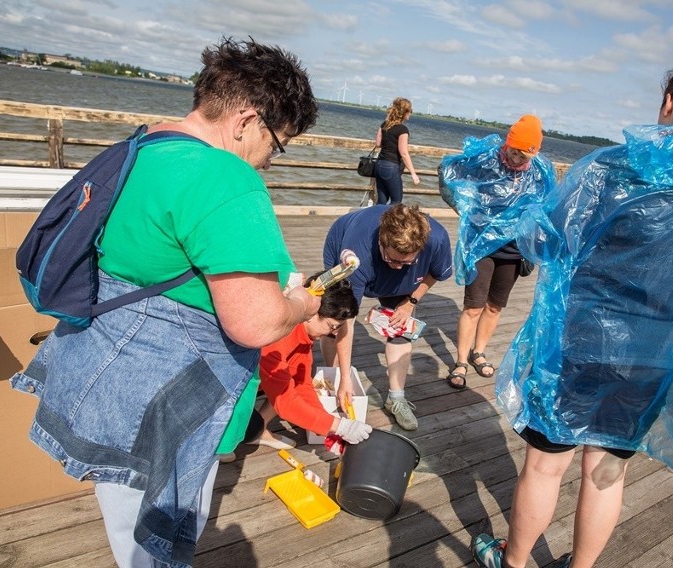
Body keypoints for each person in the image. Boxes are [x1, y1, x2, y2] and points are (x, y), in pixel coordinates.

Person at [471, 63, 673, 568]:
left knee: (544, 465)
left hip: (581, 341)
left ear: (670, 100)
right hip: (662, 351)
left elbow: (544, 238)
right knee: (607, 469)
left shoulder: (612, 167)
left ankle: (513, 563)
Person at [10, 39, 321, 568]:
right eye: (278, 143)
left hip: (105, 375)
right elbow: (256, 321)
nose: (269, 161)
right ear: (247, 119)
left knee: (123, 519)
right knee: (156, 539)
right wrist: (304, 305)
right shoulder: (226, 177)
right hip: (166, 402)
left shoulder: (144, 148)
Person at [438, 114, 556, 389]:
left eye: (523, 156)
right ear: (508, 143)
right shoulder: (486, 159)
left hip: (515, 250)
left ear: (534, 152)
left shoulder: (540, 170)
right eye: (514, 152)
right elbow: (447, 171)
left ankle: (478, 352)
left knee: (494, 306)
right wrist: (465, 209)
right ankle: (461, 361)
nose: (516, 160)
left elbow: (549, 204)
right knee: (473, 306)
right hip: (482, 245)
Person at [320, 204, 453, 430]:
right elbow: (346, 322)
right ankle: (332, 381)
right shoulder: (357, 251)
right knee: (333, 325)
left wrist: (410, 302)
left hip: (405, 286)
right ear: (381, 241)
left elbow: (437, 272)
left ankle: (396, 398)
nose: (398, 267)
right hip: (353, 261)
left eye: (406, 262)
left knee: (401, 331)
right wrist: (345, 378)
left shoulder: (437, 239)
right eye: (392, 260)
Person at [224, 275, 371, 456]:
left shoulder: (302, 335)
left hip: (259, 379)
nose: (333, 334)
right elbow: (285, 402)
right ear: (312, 311)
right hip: (223, 385)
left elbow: (302, 385)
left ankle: (254, 428)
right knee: (239, 436)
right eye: (332, 326)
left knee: (280, 390)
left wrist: (328, 427)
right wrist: (338, 425)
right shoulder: (276, 335)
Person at [374, 97, 421, 204]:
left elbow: (378, 144)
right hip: (391, 166)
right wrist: (413, 174)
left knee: (381, 201)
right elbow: (404, 153)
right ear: (404, 112)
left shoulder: (384, 125)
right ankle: (388, 221)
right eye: (410, 111)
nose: (410, 114)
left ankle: (376, 220)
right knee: (396, 201)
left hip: (379, 164)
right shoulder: (403, 130)